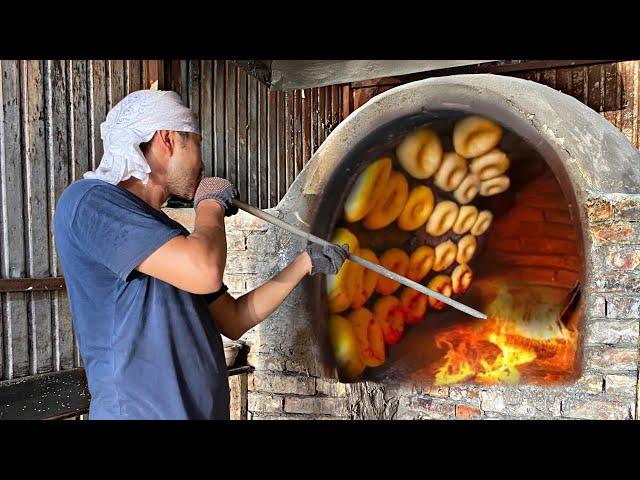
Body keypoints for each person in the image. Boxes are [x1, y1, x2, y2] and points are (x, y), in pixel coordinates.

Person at [53, 89, 348, 420]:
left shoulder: (169, 237)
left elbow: (234, 319)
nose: (202, 162)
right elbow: (204, 270)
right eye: (196, 144)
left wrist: (305, 262)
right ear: (167, 140)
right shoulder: (89, 201)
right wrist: (209, 204)